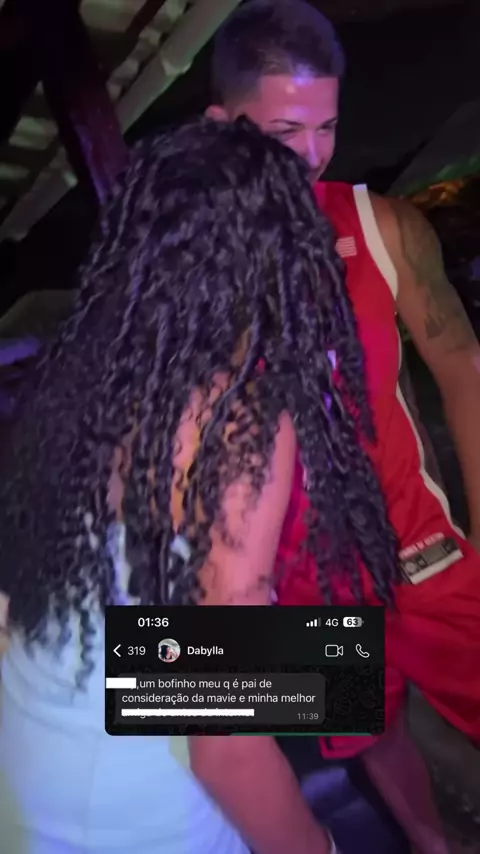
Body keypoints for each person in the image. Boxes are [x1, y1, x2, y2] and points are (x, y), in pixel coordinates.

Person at [0, 116, 401, 854]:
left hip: (42, 720)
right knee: (352, 675)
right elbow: (223, 748)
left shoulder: (93, 363)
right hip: (126, 798)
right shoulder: (241, 419)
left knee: (353, 665)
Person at [207, 1, 480, 851]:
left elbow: (464, 373)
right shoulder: (190, 275)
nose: (313, 153)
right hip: (300, 584)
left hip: (422, 555)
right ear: (222, 127)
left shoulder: (381, 225)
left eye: (326, 126)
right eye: (285, 130)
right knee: (370, 734)